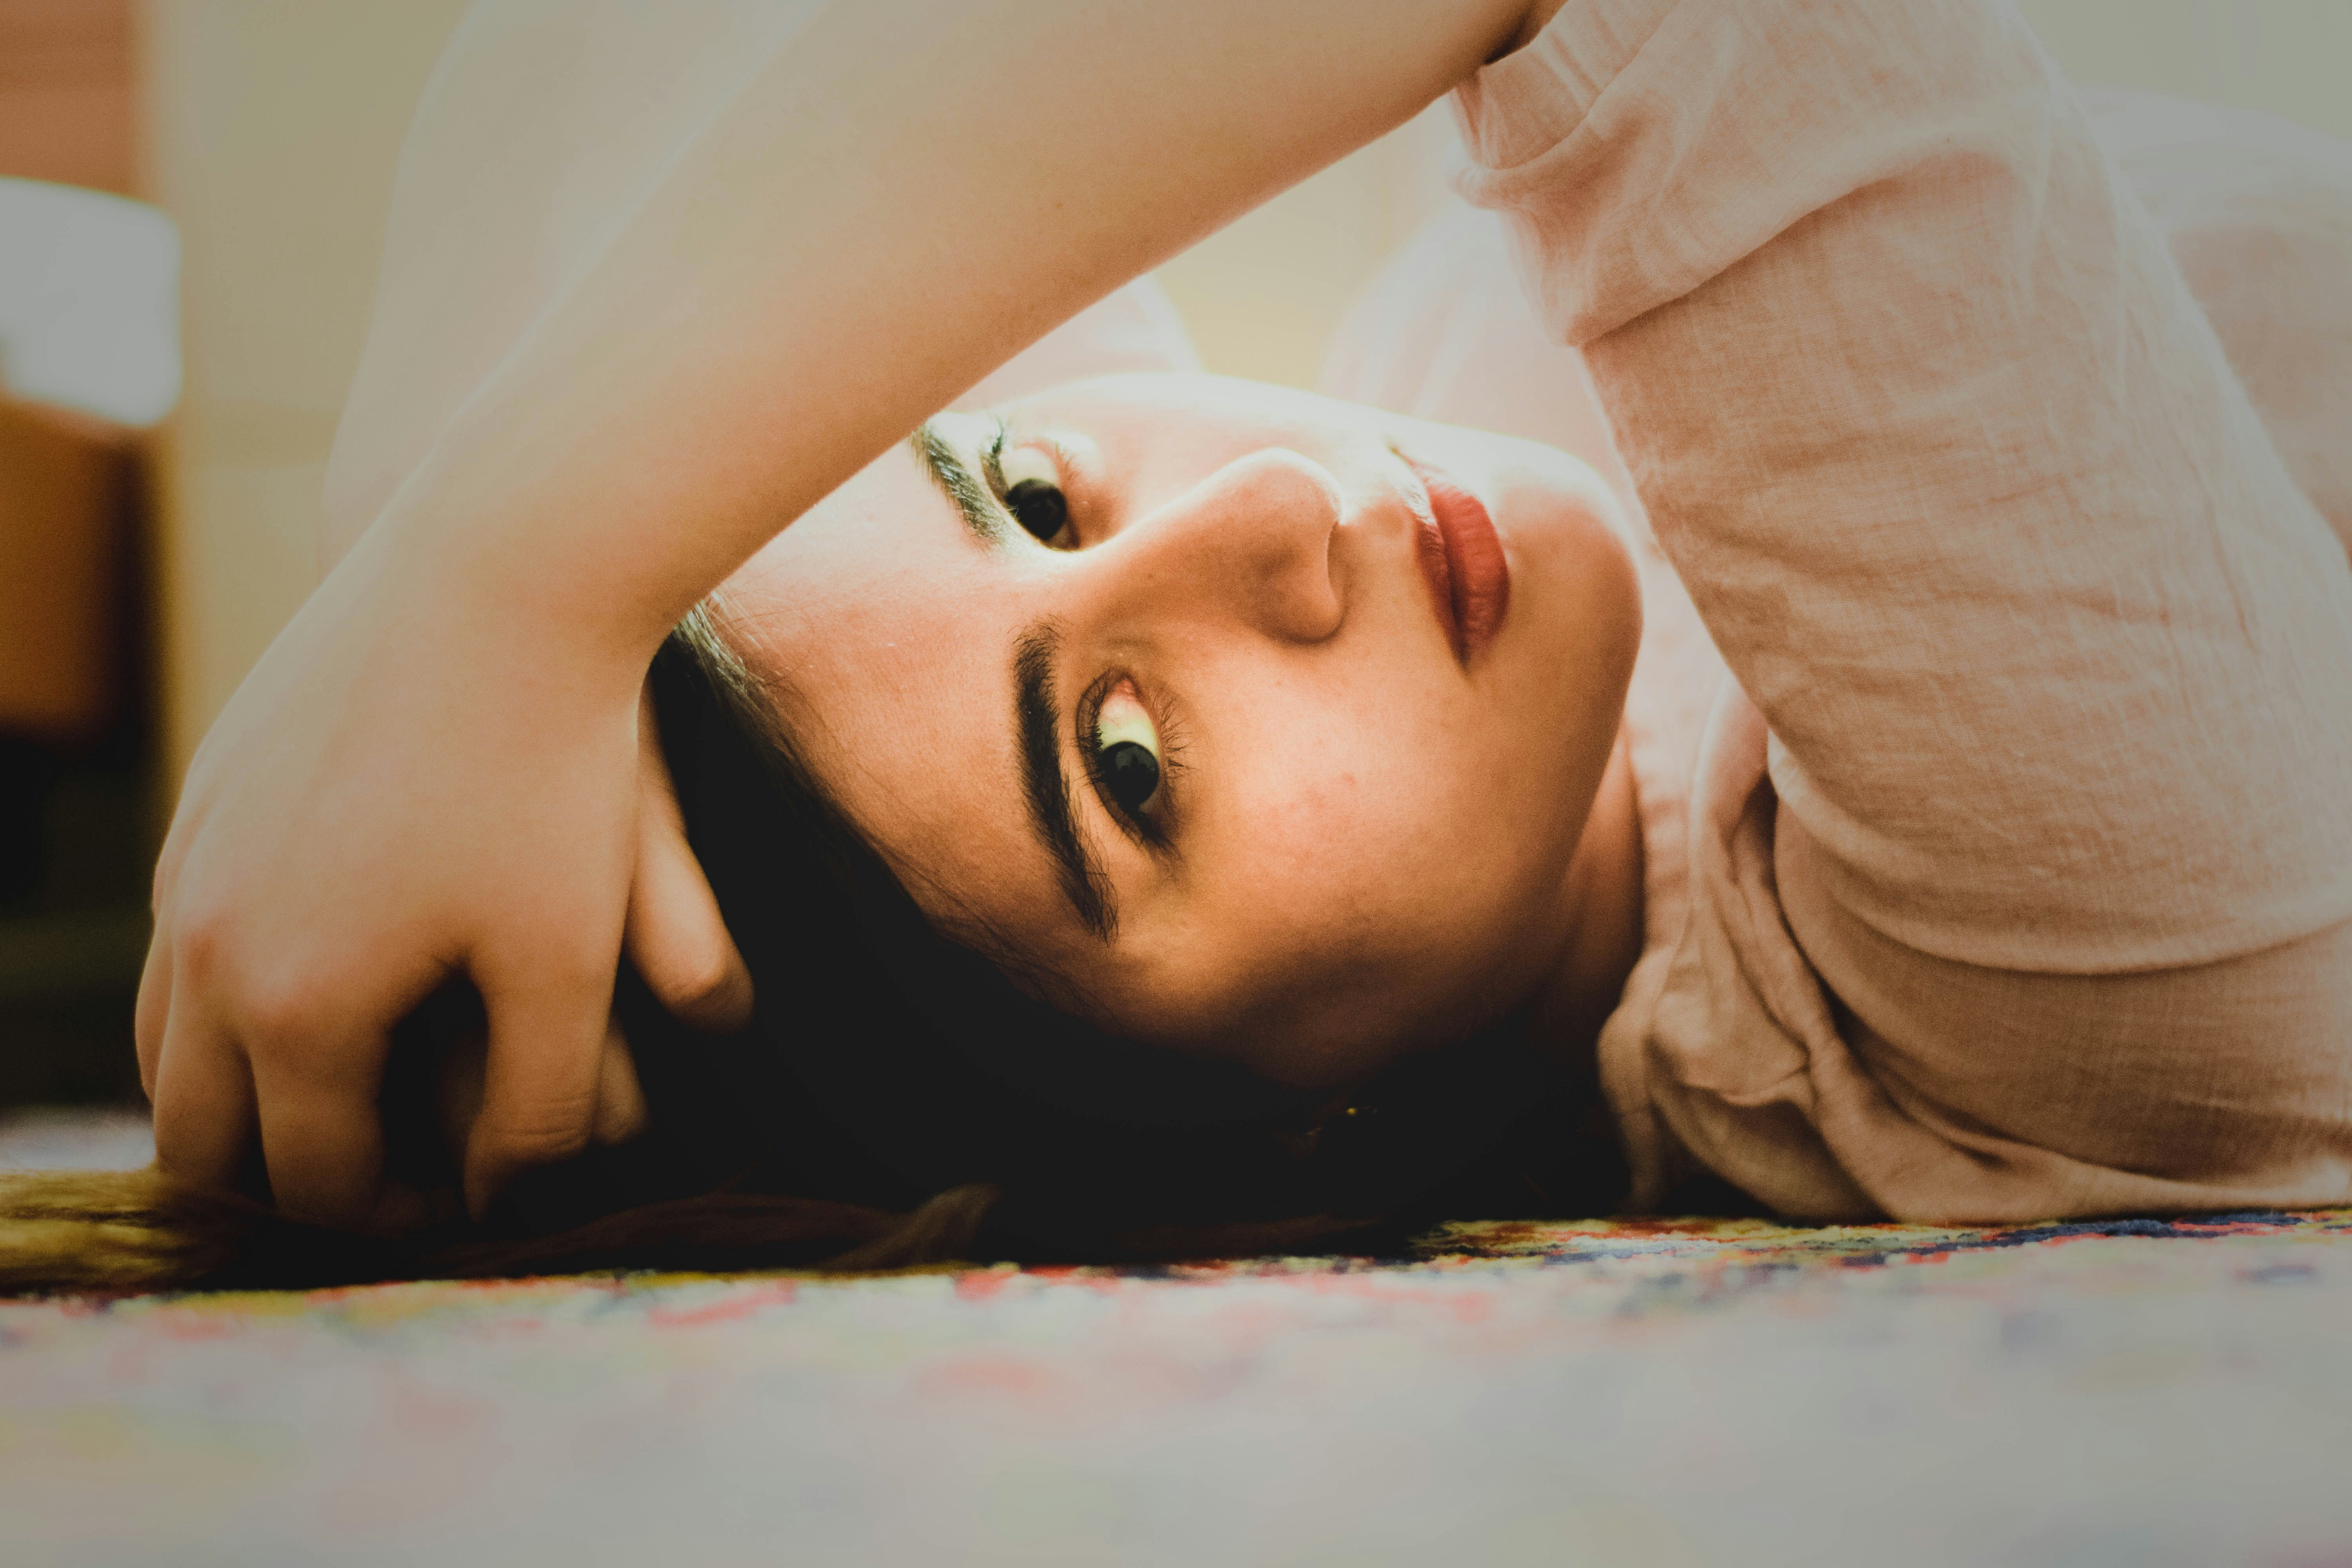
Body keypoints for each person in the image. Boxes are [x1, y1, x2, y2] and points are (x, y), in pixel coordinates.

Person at [9, 0, 2352, 1292]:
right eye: (1130, 767)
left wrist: (461, 603)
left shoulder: (1473, 525)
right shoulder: (2049, 962)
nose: (1267, 516)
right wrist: (500, 582)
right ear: (1256, 1173)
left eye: (1029, 486)